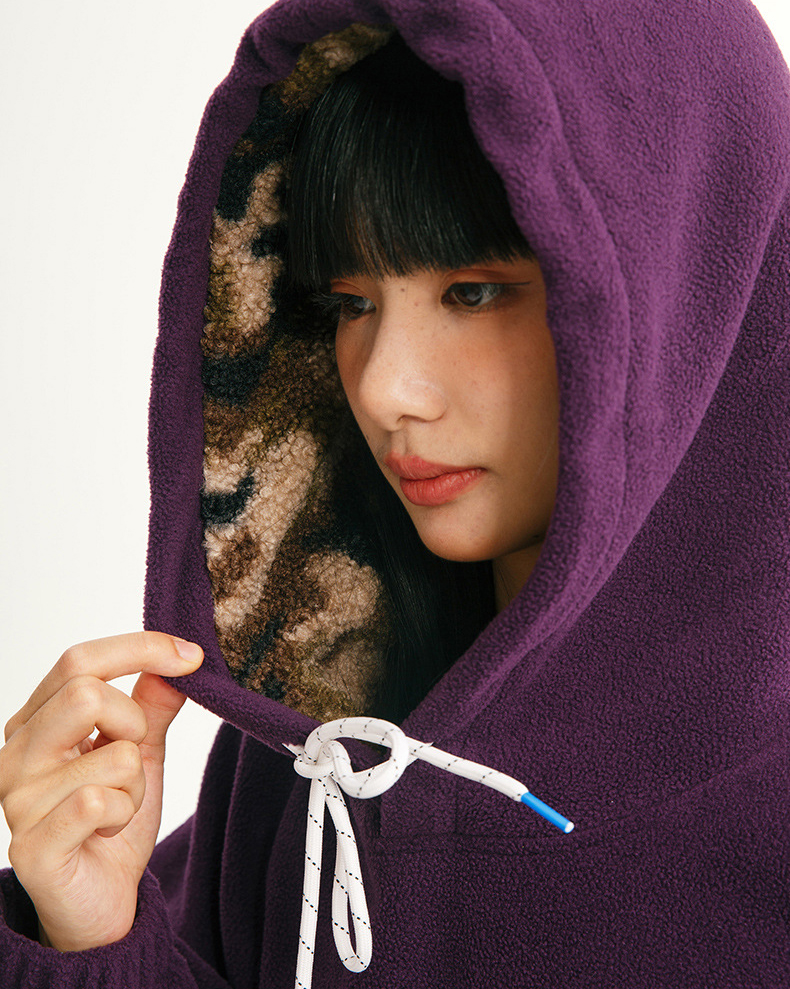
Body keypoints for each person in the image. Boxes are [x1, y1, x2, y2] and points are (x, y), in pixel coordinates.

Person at [0, 0, 788, 986]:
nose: (382, 388)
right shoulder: (318, 751)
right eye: (349, 303)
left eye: (474, 292)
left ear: (689, 285)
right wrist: (92, 939)